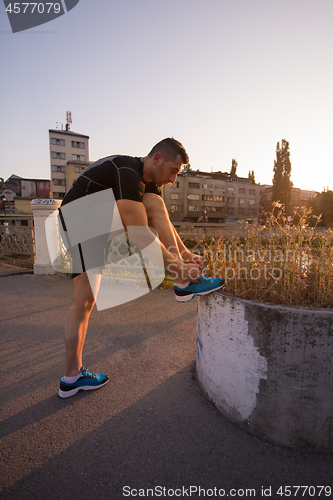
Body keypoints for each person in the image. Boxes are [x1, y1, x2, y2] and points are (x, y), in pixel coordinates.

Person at [57, 138, 224, 398]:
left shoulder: (149, 184)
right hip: (79, 222)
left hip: (93, 222)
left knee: (86, 302)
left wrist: (185, 253)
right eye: (173, 171)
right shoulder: (127, 171)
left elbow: (160, 220)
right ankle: (183, 281)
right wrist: (180, 269)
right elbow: (141, 236)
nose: (173, 180)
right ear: (156, 158)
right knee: (83, 303)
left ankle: (71, 378)